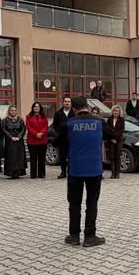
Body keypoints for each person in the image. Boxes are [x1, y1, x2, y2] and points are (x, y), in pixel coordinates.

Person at [64, 96, 105, 247]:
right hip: (94, 169)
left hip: (75, 170)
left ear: (74, 109)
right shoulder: (99, 122)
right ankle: (90, 237)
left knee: (74, 203)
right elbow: (113, 135)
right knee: (92, 203)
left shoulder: (69, 123)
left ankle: (74, 236)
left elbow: (55, 139)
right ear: (87, 106)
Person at [1, 105, 27, 179]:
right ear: (9, 111)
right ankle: (11, 173)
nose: (13, 112)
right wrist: (11, 137)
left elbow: (23, 129)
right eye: (12, 110)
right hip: (10, 141)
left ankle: (18, 173)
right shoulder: (5, 120)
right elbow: (4, 129)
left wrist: (19, 137)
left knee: (19, 157)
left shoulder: (20, 119)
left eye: (15, 110)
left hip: (19, 141)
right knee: (11, 157)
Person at [26, 101, 49, 180]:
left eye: (38, 106)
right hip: (32, 140)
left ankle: (41, 174)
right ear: (33, 108)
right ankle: (33, 174)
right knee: (33, 158)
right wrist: (36, 134)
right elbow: (28, 126)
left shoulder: (44, 116)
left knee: (41, 158)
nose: (36, 108)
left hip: (42, 140)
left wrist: (41, 133)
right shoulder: (28, 116)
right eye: (35, 106)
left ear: (40, 108)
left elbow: (46, 126)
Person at [52, 97, 73, 179]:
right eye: (65, 101)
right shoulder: (58, 113)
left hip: (71, 139)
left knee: (71, 156)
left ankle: (70, 171)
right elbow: (55, 125)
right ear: (63, 102)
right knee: (62, 156)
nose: (67, 103)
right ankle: (63, 172)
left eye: (68, 101)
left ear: (71, 103)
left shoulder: (74, 113)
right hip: (62, 138)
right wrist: (59, 132)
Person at [103, 105, 125, 180]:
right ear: (112, 111)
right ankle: (113, 173)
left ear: (119, 112)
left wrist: (116, 138)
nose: (115, 112)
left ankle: (117, 173)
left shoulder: (122, 120)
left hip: (119, 140)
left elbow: (121, 130)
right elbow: (107, 130)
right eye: (114, 111)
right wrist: (111, 138)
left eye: (117, 111)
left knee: (117, 157)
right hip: (111, 140)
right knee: (112, 157)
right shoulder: (109, 120)